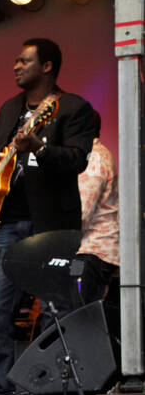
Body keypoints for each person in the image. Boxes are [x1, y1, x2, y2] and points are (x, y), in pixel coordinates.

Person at [0, 37, 99, 395]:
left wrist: (39, 147)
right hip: (8, 222)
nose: (15, 66)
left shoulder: (73, 108)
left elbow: (76, 160)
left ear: (46, 66)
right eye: (15, 60)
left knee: (54, 311)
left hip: (51, 225)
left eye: (23, 60)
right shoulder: (9, 109)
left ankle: (46, 389)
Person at [76, 138, 121, 360]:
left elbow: (81, 213)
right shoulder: (93, 155)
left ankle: (88, 381)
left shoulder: (93, 158)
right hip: (94, 249)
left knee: (82, 321)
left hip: (92, 250)